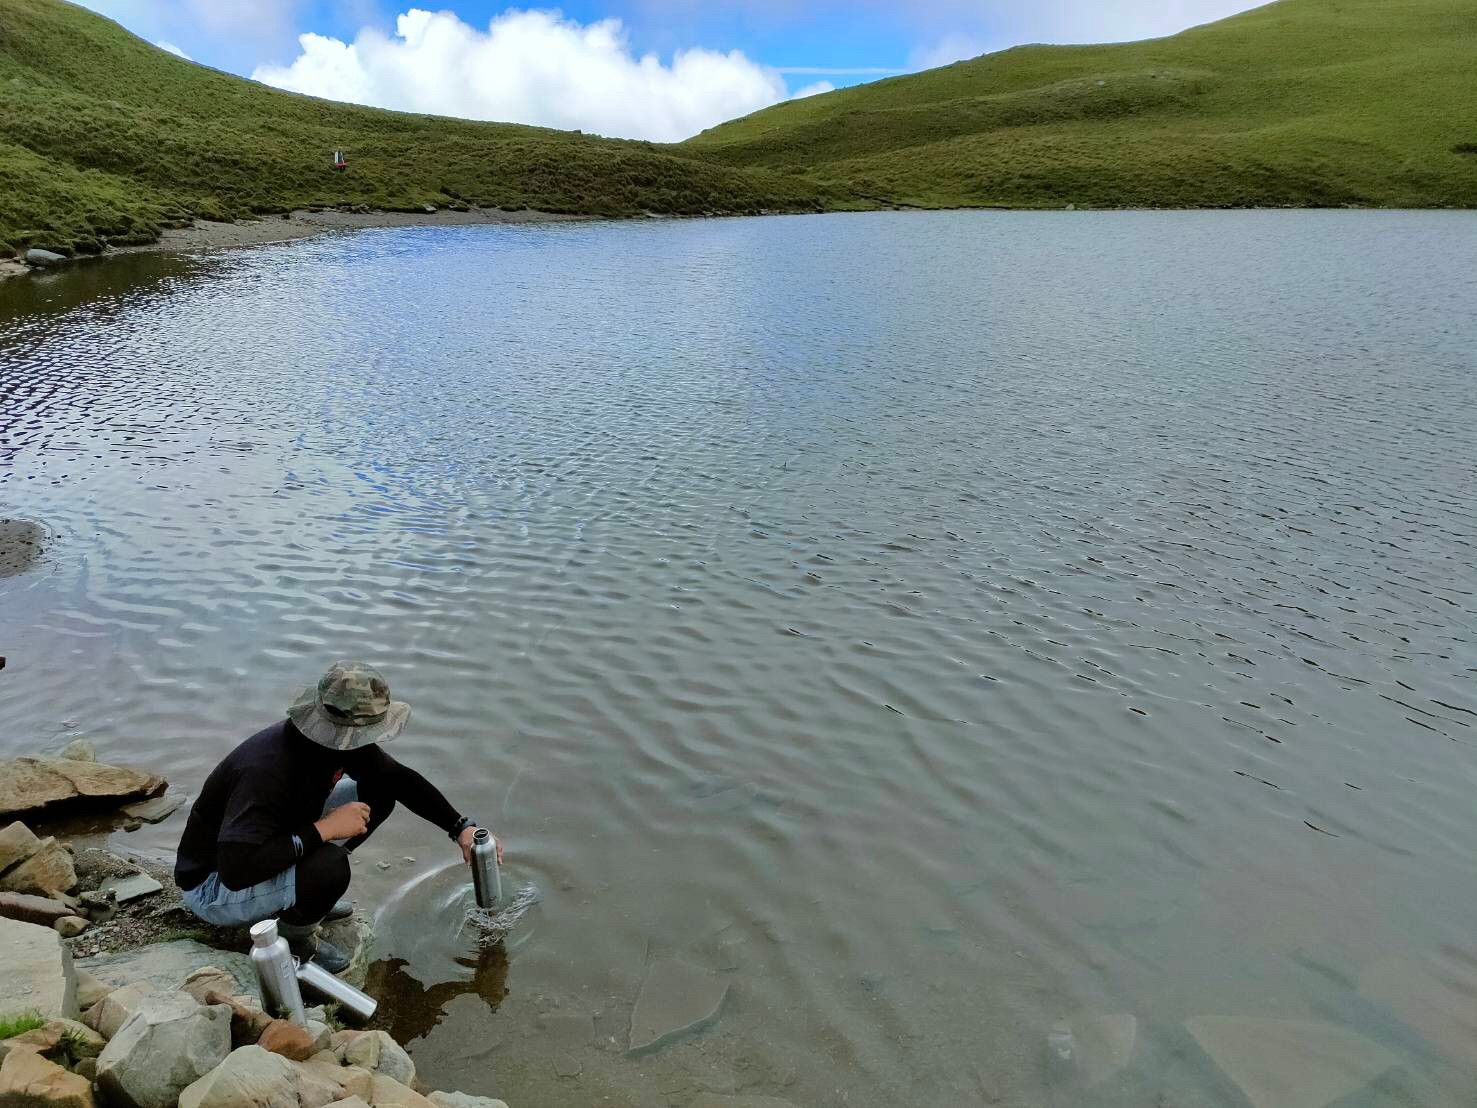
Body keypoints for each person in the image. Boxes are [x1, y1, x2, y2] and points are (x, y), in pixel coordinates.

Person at [174, 660, 501, 971]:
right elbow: (236, 870)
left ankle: (302, 898)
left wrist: (460, 828)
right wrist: (324, 830)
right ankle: (297, 940)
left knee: (380, 791)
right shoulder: (265, 772)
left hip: (267, 846)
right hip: (214, 887)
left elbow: (399, 780)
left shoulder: (328, 743)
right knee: (331, 869)